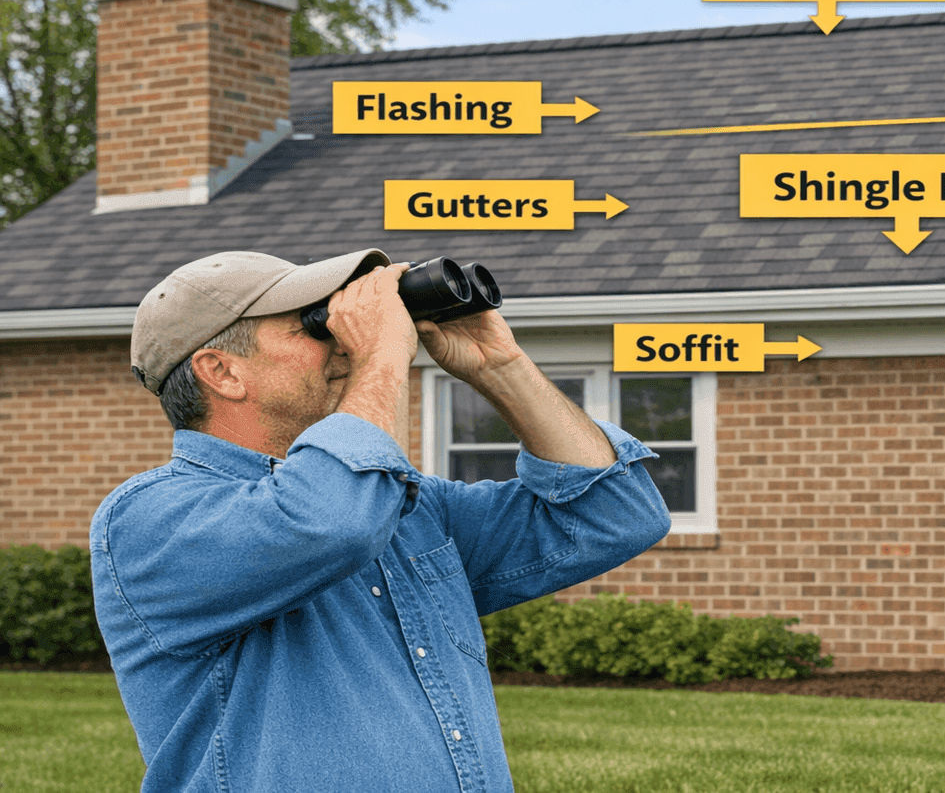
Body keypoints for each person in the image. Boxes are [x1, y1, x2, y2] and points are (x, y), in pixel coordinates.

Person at [90, 249, 670, 793]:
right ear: (222, 371)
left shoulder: (410, 511)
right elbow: (331, 523)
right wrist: (380, 356)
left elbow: (617, 516)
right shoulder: (147, 520)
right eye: (317, 326)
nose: (343, 344)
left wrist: (501, 368)